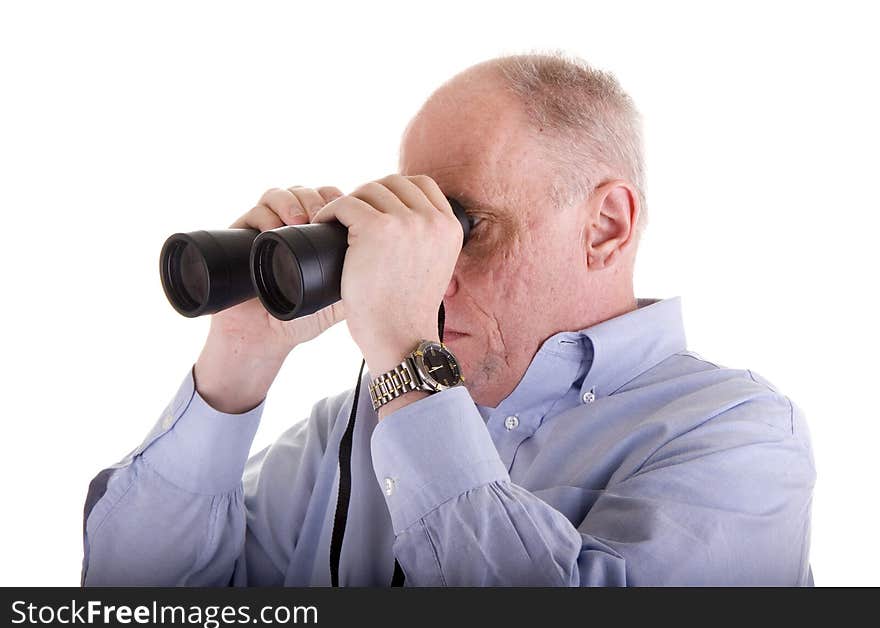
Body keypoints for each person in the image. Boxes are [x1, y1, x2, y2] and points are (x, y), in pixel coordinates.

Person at [81, 52, 815, 586]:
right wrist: (238, 359)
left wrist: (407, 359)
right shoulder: (353, 430)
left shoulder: (739, 436)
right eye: (417, 225)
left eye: (465, 225)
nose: (428, 268)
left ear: (605, 228)